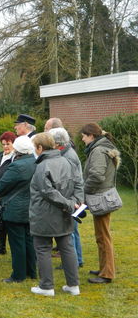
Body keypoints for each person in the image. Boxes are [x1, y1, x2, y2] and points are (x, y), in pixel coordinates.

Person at [29, 132, 82, 297]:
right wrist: (74, 203)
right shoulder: (67, 161)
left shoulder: (42, 166)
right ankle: (73, 285)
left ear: (40, 147)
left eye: (34, 147)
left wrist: (71, 203)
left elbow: (48, 192)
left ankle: (46, 286)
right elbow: (79, 182)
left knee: (43, 248)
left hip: (45, 214)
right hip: (64, 212)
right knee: (67, 247)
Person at [81, 123, 121, 284]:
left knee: (103, 237)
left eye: (84, 136)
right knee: (102, 236)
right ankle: (104, 268)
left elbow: (97, 176)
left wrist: (85, 190)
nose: (82, 139)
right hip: (103, 196)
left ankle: (107, 273)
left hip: (100, 198)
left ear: (91, 136)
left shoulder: (97, 151)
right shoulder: (102, 148)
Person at [0, 136, 37, 283]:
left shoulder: (17, 166)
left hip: (15, 209)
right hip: (31, 207)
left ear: (17, 150)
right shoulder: (35, 161)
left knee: (17, 243)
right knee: (29, 240)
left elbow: (1, 186)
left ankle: (18, 275)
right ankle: (32, 272)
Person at [48, 127, 85, 269]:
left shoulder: (68, 156)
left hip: (71, 200)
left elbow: (75, 180)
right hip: (72, 199)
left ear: (57, 143)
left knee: (71, 232)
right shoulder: (66, 152)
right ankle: (76, 260)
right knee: (72, 231)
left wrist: (75, 201)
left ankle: (74, 261)